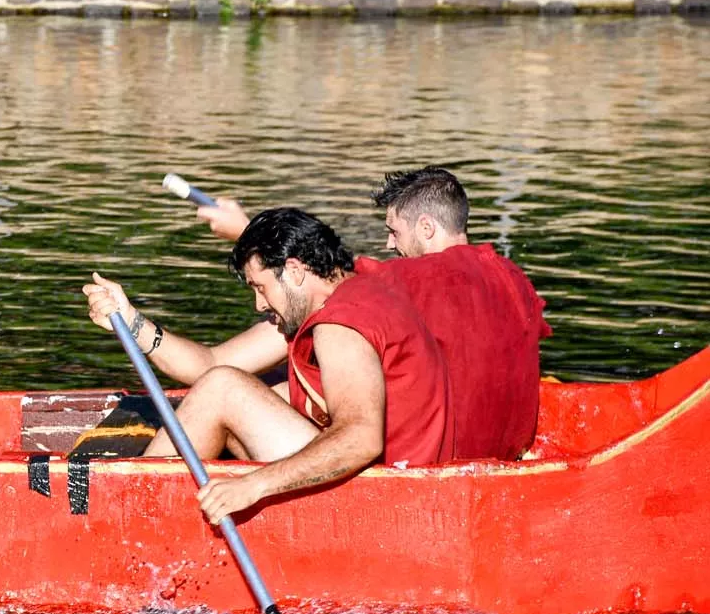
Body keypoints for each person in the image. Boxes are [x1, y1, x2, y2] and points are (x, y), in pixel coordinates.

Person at [85, 208, 452, 524]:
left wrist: (253, 486)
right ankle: (150, 508)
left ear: (294, 271)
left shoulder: (340, 324)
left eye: (260, 287)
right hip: (388, 486)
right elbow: (211, 361)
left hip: (386, 500)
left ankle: (129, 519)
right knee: (233, 385)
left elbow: (361, 437)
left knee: (223, 389)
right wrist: (131, 321)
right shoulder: (337, 297)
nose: (259, 304)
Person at [198, 167, 550, 459]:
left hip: (430, 469)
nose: (388, 244)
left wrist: (250, 235)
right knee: (285, 377)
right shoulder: (514, 278)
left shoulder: (410, 279)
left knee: (228, 389)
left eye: (393, 231)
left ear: (426, 228)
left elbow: (327, 277)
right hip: (500, 451)